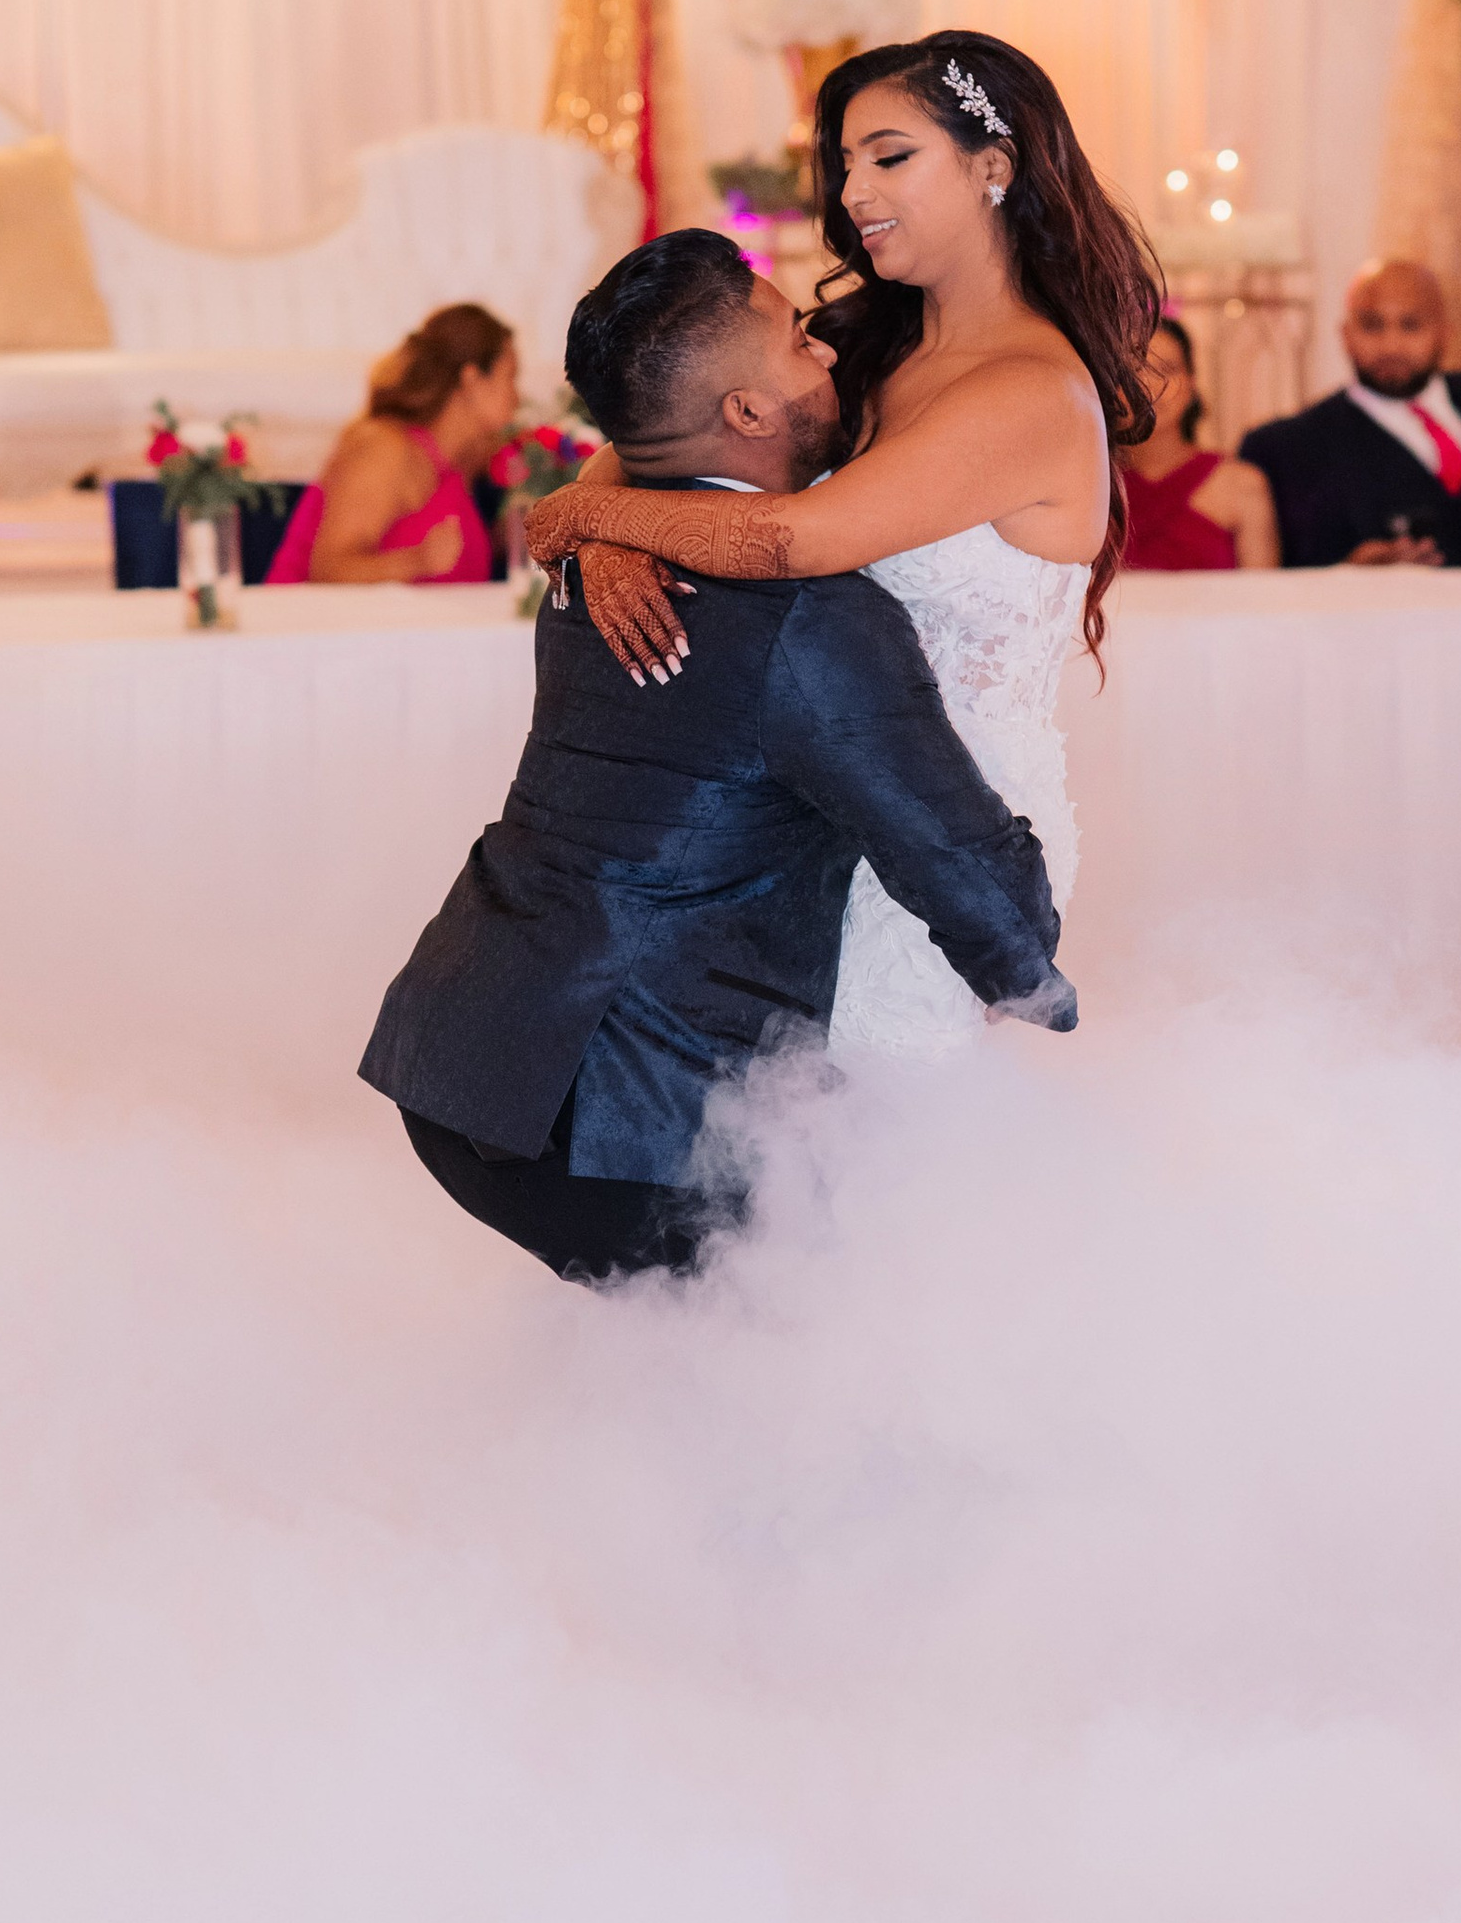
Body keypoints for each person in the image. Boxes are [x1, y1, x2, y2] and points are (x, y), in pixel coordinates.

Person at [360, 231, 1074, 1284]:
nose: (825, 352)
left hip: (463, 1062)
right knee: (820, 1332)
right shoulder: (811, 616)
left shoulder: (598, 564)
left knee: (688, 1360)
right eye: (796, 340)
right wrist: (1036, 986)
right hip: (618, 1116)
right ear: (742, 412)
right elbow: (958, 866)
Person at [521, 32, 1159, 1064]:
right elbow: (650, 454)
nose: (854, 189)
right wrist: (598, 530)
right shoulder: (867, 343)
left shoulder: (1029, 390)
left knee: (882, 1153)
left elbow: (790, 539)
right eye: (846, 162)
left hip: (948, 832)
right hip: (800, 812)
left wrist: (574, 520)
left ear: (993, 167)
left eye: (889, 156)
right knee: (779, 1153)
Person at [1235, 260, 1461, 570]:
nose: (1391, 346)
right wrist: (1348, 573)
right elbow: (1277, 578)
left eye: (1410, 325)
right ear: (1346, 334)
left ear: (1445, 333)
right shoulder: (1288, 448)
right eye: (1372, 325)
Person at [268, 302, 522, 585]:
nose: (517, 398)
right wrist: (417, 561)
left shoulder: (462, 460)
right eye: (510, 377)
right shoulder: (384, 447)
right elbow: (329, 568)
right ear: (472, 379)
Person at [1117, 316, 1279, 571]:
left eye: (1166, 369)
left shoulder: (1242, 485)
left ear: (1192, 383)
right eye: (1134, 369)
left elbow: (1263, 603)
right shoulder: (1091, 487)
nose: (1150, 386)